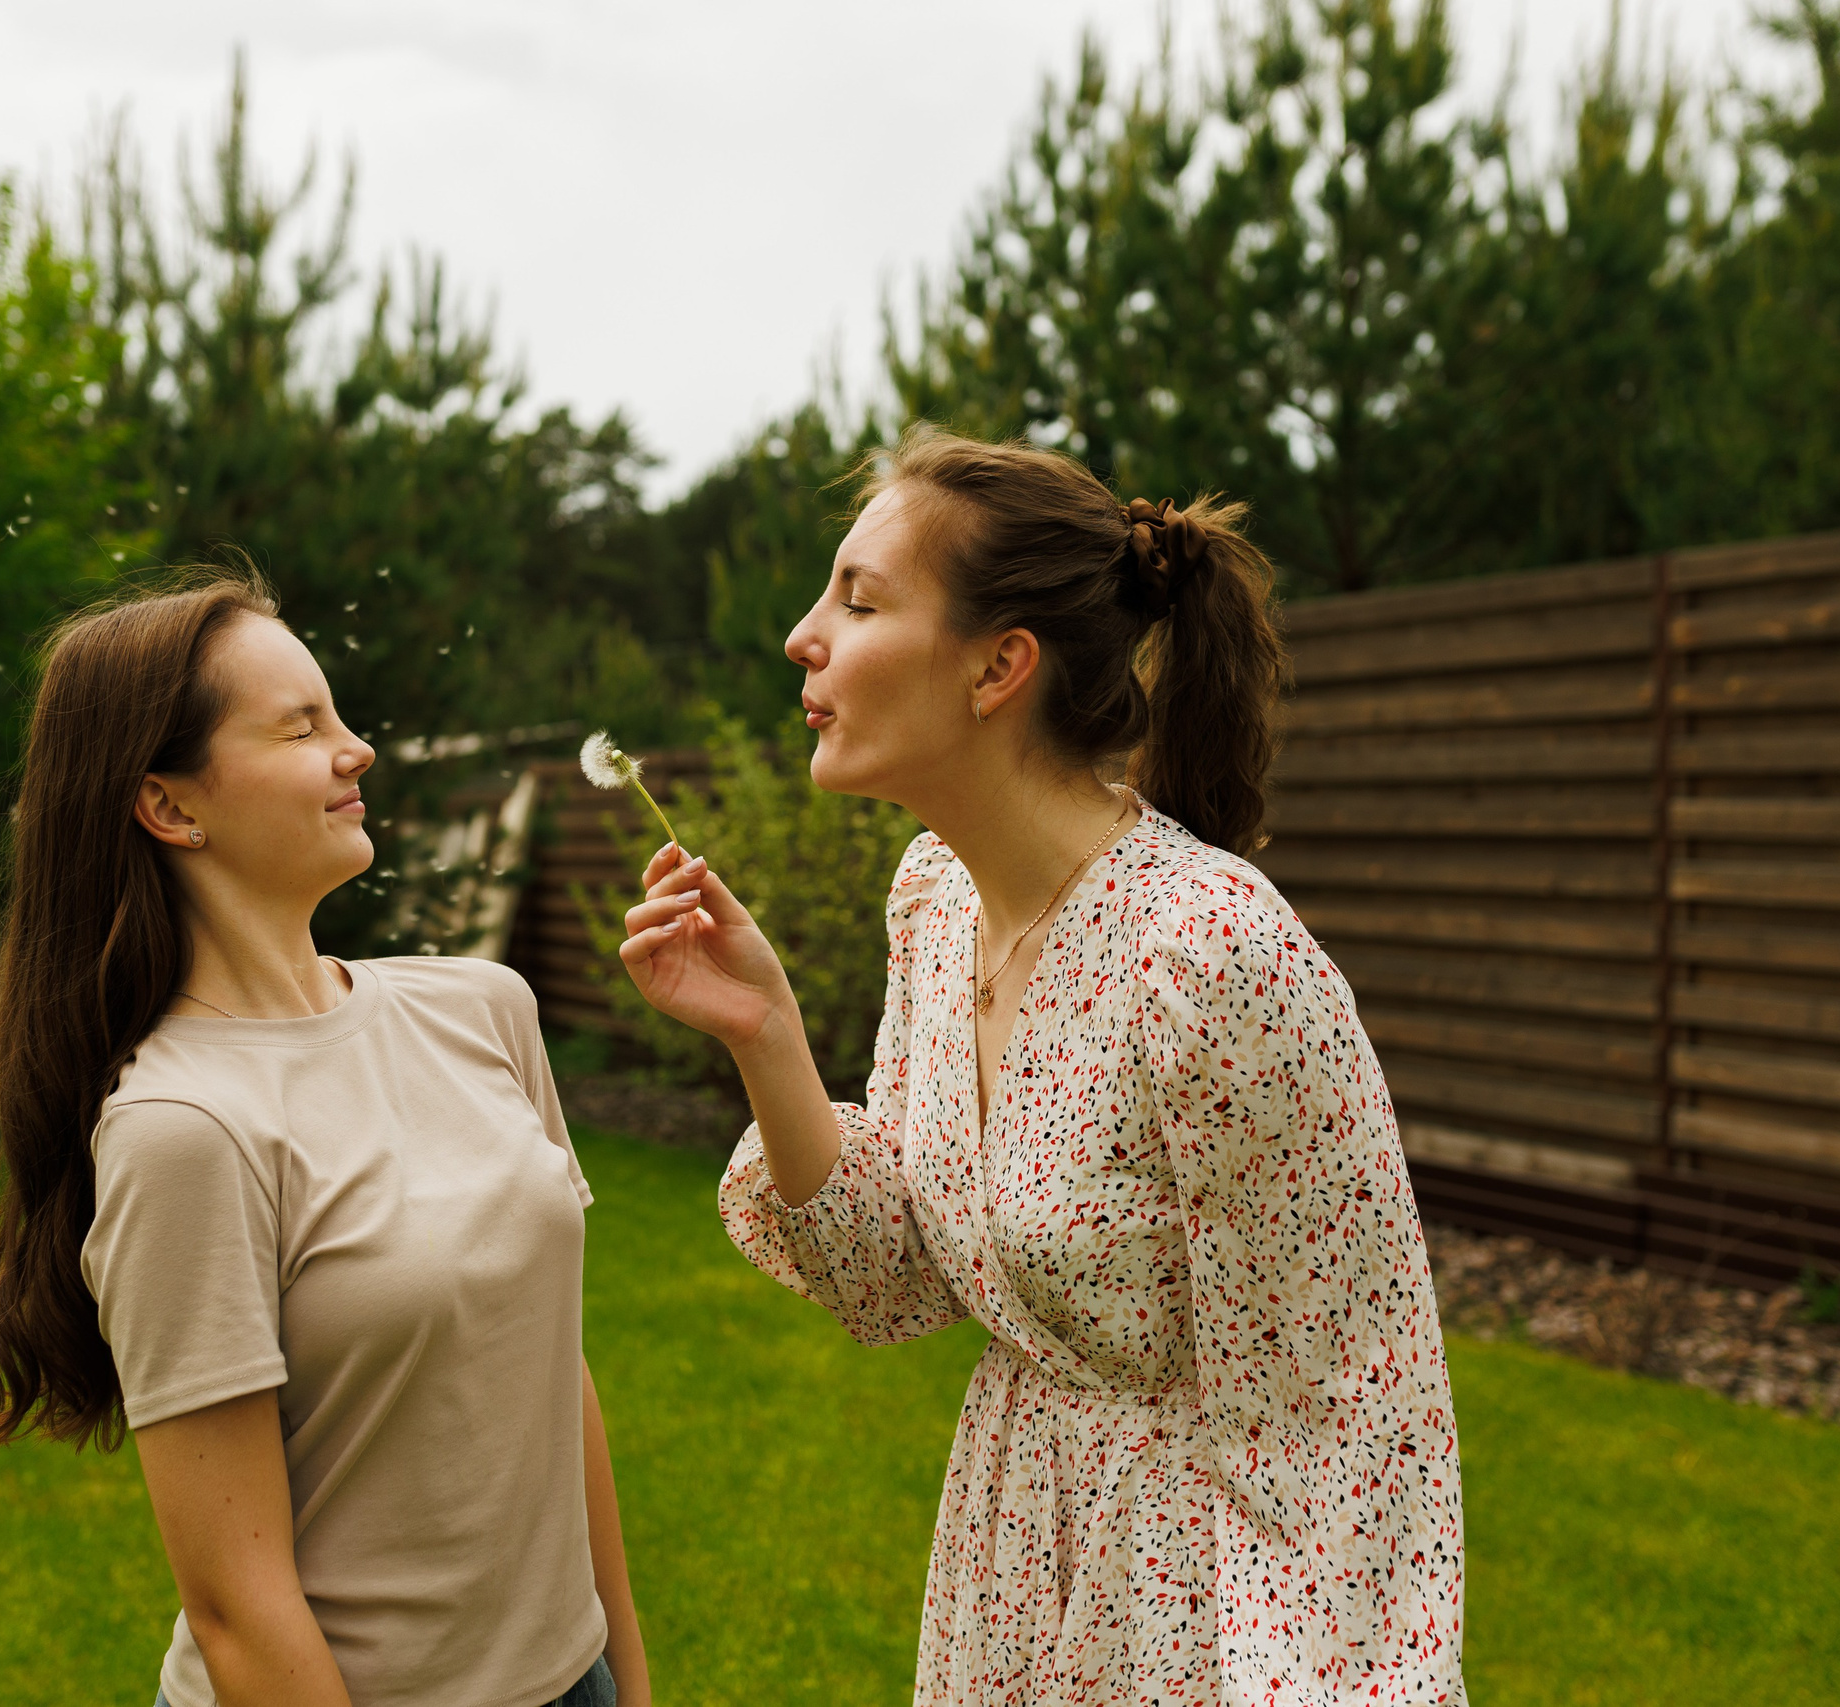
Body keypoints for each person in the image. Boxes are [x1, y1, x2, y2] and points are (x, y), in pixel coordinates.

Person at [615, 426, 1466, 1704]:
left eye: (857, 599)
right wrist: (766, 1036)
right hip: (1008, 1569)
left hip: (1186, 1618)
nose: (803, 635)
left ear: (998, 666)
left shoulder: (1209, 958)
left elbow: (1347, 1429)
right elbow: (891, 1271)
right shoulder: (936, 901)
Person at [0, 572, 649, 1707]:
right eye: (301, 726)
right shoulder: (182, 1132)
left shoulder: (485, 1008)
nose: (359, 750)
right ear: (171, 807)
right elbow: (238, 1613)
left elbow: (548, 1373)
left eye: (338, 714)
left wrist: (621, 1679)